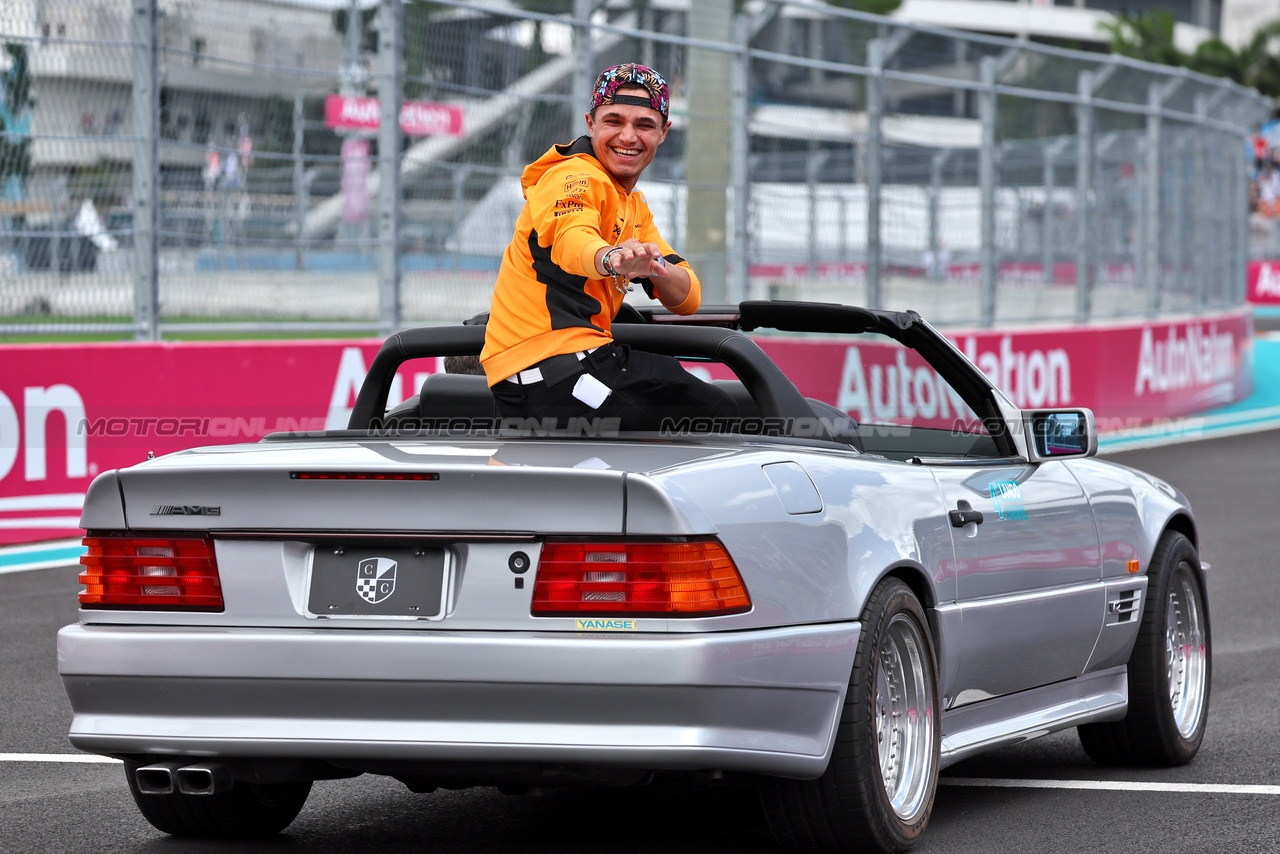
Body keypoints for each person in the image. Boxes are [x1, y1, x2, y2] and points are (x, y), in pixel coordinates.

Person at [479, 63, 734, 431]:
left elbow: (687, 298)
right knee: (717, 418)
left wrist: (656, 269)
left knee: (714, 407)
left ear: (664, 133)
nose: (628, 137)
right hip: (551, 366)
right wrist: (612, 258)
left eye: (644, 125)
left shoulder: (633, 204)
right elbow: (572, 239)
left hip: (582, 361)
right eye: (614, 121)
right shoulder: (573, 176)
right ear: (590, 124)